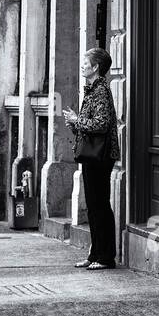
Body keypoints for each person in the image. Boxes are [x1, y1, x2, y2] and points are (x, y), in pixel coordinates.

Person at [63, 47, 121, 270]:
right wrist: (74, 123)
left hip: (100, 157)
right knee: (94, 206)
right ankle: (95, 253)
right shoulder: (92, 89)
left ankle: (106, 257)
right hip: (92, 155)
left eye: (86, 63)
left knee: (100, 205)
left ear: (96, 67)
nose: (82, 66)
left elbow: (102, 124)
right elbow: (90, 126)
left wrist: (78, 121)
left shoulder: (101, 91)